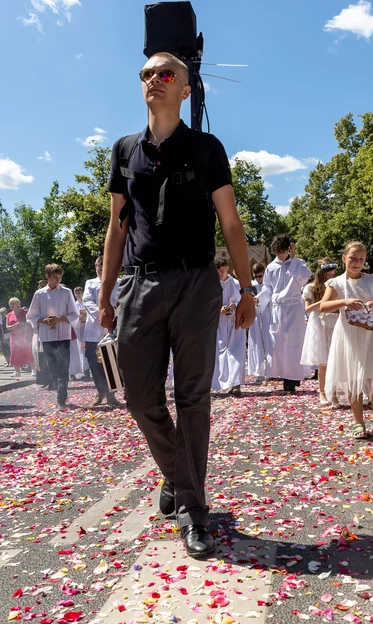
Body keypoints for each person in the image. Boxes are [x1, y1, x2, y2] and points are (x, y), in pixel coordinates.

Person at [100, 51, 255, 559]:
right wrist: (104, 293)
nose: (154, 80)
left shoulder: (207, 148)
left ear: (185, 89)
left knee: (192, 401)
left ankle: (193, 511)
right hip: (138, 286)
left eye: (166, 73)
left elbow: (230, 222)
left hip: (196, 284)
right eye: (146, 74)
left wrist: (247, 289)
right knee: (140, 399)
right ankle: (176, 473)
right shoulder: (125, 150)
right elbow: (116, 228)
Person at [321, 241, 373, 441]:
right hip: (349, 336)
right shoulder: (336, 283)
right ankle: (358, 422)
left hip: (372, 335)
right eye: (353, 258)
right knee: (353, 379)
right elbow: (323, 306)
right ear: (344, 258)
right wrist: (344, 302)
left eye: (361, 259)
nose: (357, 262)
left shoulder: (372, 280)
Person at [259, 234, 311, 394]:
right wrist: (259, 298)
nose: (280, 255)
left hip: (293, 307)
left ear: (289, 249)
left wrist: (293, 259)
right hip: (278, 308)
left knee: (294, 344)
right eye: (277, 252)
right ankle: (283, 375)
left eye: (282, 251)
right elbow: (267, 287)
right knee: (278, 344)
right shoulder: (271, 267)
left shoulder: (298, 263)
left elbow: (304, 277)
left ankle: (292, 380)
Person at [26, 264, 79, 410]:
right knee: (53, 367)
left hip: (63, 335)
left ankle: (61, 396)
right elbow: (31, 315)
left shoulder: (67, 292)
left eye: (60, 277)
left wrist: (60, 319)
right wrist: (43, 320)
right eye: (55, 277)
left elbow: (74, 314)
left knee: (63, 366)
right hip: (47, 336)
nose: (57, 280)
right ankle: (60, 392)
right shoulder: (39, 294)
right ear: (47, 276)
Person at [301, 258, 339, 407]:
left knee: (335, 360)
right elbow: (308, 309)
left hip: (334, 322)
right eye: (329, 275)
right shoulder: (311, 288)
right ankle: (322, 392)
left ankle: (334, 393)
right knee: (323, 362)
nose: (331, 277)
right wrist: (324, 301)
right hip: (318, 323)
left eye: (333, 275)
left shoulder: (335, 286)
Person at [83, 257, 120, 406]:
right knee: (95, 364)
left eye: (102, 269)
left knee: (111, 363)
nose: (99, 271)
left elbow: (121, 302)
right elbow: (87, 301)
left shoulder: (118, 282)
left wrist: (113, 315)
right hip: (94, 329)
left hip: (113, 327)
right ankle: (100, 392)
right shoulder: (90, 283)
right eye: (97, 269)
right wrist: (102, 312)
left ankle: (111, 395)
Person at [212, 257, 246, 395]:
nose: (220, 274)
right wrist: (219, 308)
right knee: (219, 352)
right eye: (218, 272)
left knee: (236, 351)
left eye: (222, 271)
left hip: (234, 321)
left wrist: (234, 305)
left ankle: (236, 384)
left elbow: (243, 300)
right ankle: (218, 383)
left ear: (227, 268)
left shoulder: (236, 283)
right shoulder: (212, 285)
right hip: (219, 322)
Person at [247, 262, 272, 379]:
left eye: (260, 276)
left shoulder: (269, 284)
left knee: (269, 343)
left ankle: (271, 370)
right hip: (255, 317)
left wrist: (259, 299)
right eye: (255, 276)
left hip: (268, 316)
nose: (258, 279)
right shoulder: (251, 286)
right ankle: (259, 371)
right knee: (257, 345)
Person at [6, 298, 34, 377]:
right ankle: (17, 372)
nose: (11, 305)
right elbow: (7, 327)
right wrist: (15, 325)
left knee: (28, 352)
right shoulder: (9, 314)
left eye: (13, 303)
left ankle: (33, 370)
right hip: (14, 337)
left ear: (18, 304)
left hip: (26, 335)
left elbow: (31, 320)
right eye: (10, 303)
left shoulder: (25, 312)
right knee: (14, 353)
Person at [73, 287, 90, 378]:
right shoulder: (74, 305)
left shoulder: (87, 302)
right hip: (80, 329)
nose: (78, 295)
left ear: (82, 293)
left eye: (79, 293)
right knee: (82, 350)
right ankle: (86, 371)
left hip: (89, 328)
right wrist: (79, 317)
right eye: (76, 293)